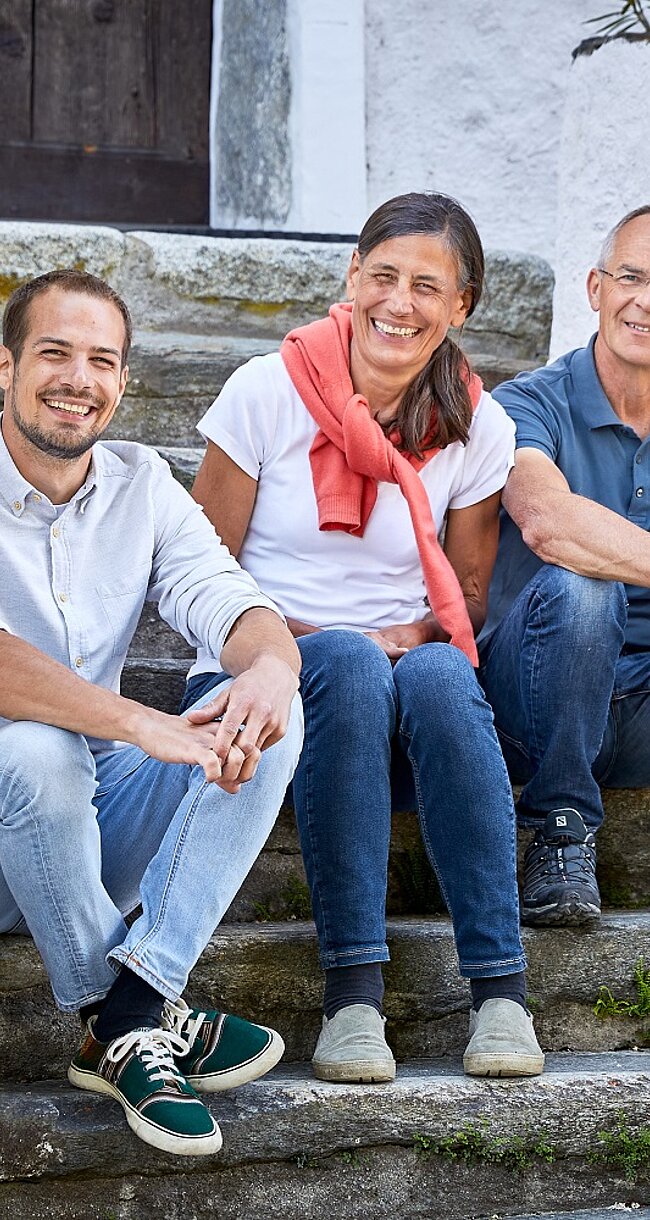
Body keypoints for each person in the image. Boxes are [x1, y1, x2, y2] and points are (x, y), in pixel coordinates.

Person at [186, 191, 544, 1084]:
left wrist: (398, 637)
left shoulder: (476, 423)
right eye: (382, 275)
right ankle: (352, 1000)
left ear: (460, 306)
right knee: (345, 659)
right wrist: (319, 637)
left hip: (398, 701)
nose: (399, 300)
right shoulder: (267, 391)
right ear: (351, 275)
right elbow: (197, 575)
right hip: (256, 687)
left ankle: (501, 994)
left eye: (428, 285)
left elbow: (462, 594)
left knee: (434, 673)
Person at [0, 270, 303, 1157]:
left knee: (265, 718)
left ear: (123, 384)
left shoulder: (146, 488)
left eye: (102, 360)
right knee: (38, 751)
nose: (78, 378)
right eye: (55, 353)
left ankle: (132, 1008)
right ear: (5, 365)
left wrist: (272, 669)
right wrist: (139, 721)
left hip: (82, 832)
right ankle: (129, 1014)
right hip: (16, 803)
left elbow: (232, 604)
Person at [479, 205, 650, 929]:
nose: (643, 302)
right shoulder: (525, 402)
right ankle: (558, 831)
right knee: (583, 585)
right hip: (534, 703)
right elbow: (548, 522)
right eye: (631, 277)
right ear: (594, 287)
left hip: (641, 708)